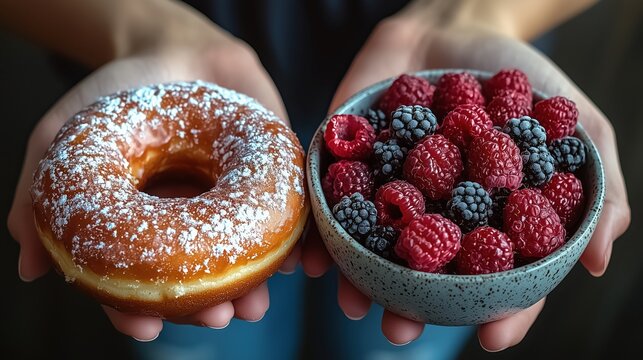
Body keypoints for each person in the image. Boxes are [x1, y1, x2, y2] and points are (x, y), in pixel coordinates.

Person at [3, 0, 630, 358]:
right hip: (190, 74)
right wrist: (138, 26)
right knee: (195, 332)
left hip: (406, 106)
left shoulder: (478, 148)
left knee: (396, 338)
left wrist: (479, 17)